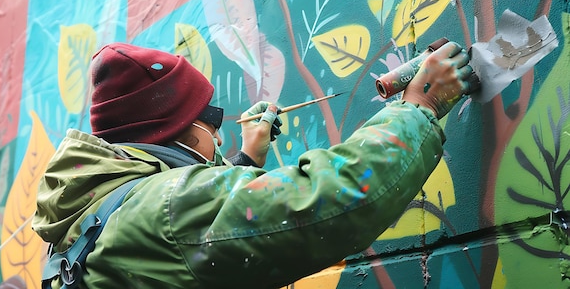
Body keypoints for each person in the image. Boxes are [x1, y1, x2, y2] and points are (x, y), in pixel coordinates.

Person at [33, 40, 475, 289]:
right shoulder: (168, 208)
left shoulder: (92, 211)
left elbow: (185, 248)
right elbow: (323, 203)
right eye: (211, 117)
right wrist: (420, 106)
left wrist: (246, 160)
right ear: (178, 128)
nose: (220, 134)